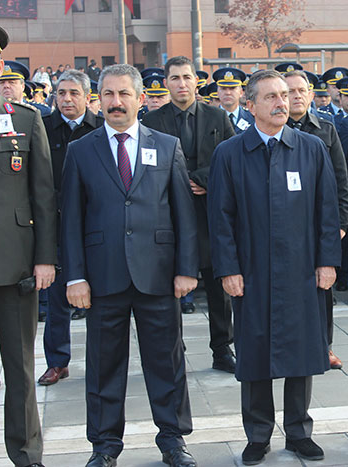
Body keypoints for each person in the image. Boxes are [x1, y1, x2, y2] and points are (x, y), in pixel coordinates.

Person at [60, 64, 199, 467]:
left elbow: (182, 213)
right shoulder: (80, 150)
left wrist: (186, 268)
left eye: (124, 94)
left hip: (157, 274)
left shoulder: (167, 144)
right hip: (102, 278)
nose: (115, 102)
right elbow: (70, 218)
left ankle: (173, 441)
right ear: (97, 99)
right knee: (103, 365)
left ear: (141, 98)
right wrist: (76, 276)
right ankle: (104, 446)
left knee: (167, 362)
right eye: (107, 94)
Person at [207, 70, 341, 466]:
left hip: (302, 271)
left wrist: (327, 261)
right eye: (271, 97)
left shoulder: (310, 148)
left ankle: (299, 431)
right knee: (254, 352)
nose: (282, 102)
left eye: (284, 95)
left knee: (302, 351)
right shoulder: (230, 153)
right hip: (251, 273)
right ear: (250, 106)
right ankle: (258, 434)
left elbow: (327, 210)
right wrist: (228, 269)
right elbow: (221, 218)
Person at [142, 56, 237, 373]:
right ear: (165, 83)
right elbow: (148, 168)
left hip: (210, 214)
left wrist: (202, 179)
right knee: (170, 286)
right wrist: (182, 181)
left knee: (217, 286)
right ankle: (172, 352)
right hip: (168, 215)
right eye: (174, 78)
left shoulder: (217, 117)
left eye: (186, 77)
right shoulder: (152, 122)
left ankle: (222, 349)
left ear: (195, 81)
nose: (181, 84)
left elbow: (231, 159)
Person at [0, 25, 57, 467]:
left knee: (19, 368)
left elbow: (43, 194)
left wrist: (44, 258)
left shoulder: (22, 118)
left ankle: (26, 454)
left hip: (13, 263)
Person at [38, 70, 104, 387]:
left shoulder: (102, 129)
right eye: (61, 93)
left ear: (88, 97)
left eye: (74, 93)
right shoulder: (43, 128)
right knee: (57, 297)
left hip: (95, 226)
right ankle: (57, 361)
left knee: (101, 297)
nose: (66, 99)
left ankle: (103, 359)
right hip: (56, 225)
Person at [284, 69, 348, 369]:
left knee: (322, 289)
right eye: (290, 92)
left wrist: (341, 224)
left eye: (301, 91)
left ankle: (324, 346)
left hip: (319, 224)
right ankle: (288, 345)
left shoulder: (325, 129)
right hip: (283, 224)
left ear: (311, 95)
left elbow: (341, 179)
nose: (296, 96)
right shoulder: (271, 129)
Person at [213, 67, 254, 134]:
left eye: (232, 88)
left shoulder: (252, 117)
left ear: (241, 92)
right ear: (217, 92)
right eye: (223, 89)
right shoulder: (209, 118)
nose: (228, 93)